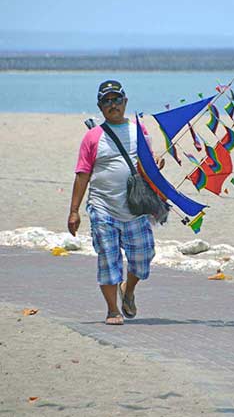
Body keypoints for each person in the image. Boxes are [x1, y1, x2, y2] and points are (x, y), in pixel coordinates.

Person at [68, 80, 163, 325]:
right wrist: (74, 211)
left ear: (125, 102)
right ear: (100, 106)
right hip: (103, 209)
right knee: (108, 258)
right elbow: (82, 174)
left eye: (117, 99)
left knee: (143, 258)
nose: (113, 105)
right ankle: (112, 310)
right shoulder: (93, 137)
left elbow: (147, 164)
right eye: (107, 101)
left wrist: (156, 165)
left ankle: (128, 290)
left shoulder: (139, 131)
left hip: (135, 209)